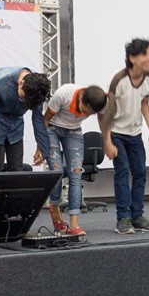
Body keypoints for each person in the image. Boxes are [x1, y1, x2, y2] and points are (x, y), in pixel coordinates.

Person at [101, 38, 149, 235]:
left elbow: (144, 103)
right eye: (145, 54)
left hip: (135, 133)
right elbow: (107, 114)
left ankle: (137, 216)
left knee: (140, 172)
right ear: (132, 58)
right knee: (122, 171)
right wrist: (107, 142)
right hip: (117, 132)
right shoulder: (118, 80)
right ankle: (123, 217)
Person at [44, 84, 109, 235]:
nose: (84, 114)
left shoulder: (101, 102)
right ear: (80, 97)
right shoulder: (63, 94)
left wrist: (108, 141)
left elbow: (102, 120)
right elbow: (45, 119)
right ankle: (55, 210)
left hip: (74, 132)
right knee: (57, 172)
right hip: (52, 129)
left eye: (89, 113)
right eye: (84, 110)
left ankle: (74, 225)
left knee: (76, 174)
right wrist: (40, 147)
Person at [0, 66, 52, 172]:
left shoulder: (38, 88)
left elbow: (37, 119)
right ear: (21, 83)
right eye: (23, 99)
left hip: (16, 127)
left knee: (17, 169)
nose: (24, 103)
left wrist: (41, 147)